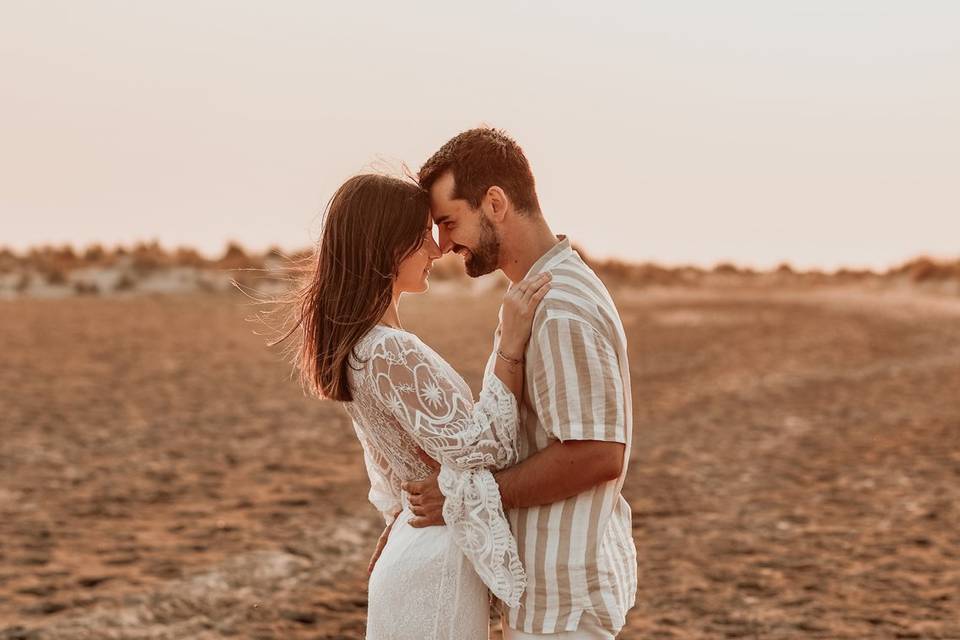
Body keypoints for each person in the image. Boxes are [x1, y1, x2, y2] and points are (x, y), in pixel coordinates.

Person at [276, 172, 551, 639]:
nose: (437, 248)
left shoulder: (363, 347)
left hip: (419, 548)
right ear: (386, 247)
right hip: (433, 564)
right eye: (422, 235)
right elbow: (487, 446)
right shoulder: (388, 352)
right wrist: (510, 343)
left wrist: (404, 513)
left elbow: (387, 472)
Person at [402, 128, 638, 639]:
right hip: (551, 595)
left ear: (494, 203)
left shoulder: (561, 309)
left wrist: (468, 498)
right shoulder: (538, 296)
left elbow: (599, 453)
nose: (442, 245)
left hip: (566, 603)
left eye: (448, 221)